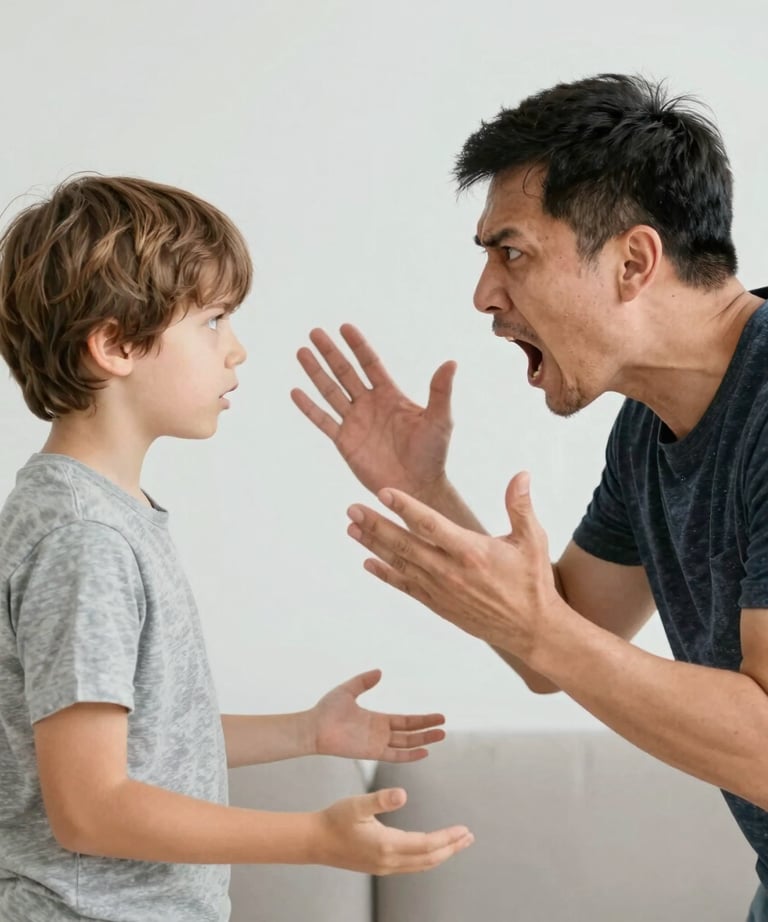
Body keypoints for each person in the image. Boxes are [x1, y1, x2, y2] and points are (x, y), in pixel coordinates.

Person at [291, 72, 768, 920]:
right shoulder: (648, 432)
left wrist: (539, 629)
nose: (485, 295)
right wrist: (425, 490)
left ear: (633, 261)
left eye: (511, 252)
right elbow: (557, 643)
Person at [0, 175, 474, 922]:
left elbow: (136, 750)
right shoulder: (83, 540)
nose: (237, 350)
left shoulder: (105, 517)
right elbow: (90, 809)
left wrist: (305, 733)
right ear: (116, 344)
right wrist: (314, 837)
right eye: (214, 321)